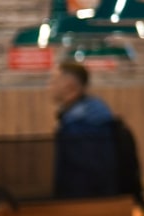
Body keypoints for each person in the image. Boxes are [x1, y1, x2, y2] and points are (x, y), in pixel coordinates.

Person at [50, 62, 121, 199]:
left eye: (55, 81)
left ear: (70, 86)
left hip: (88, 203)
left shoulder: (83, 124)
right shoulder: (90, 113)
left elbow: (84, 175)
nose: (50, 85)